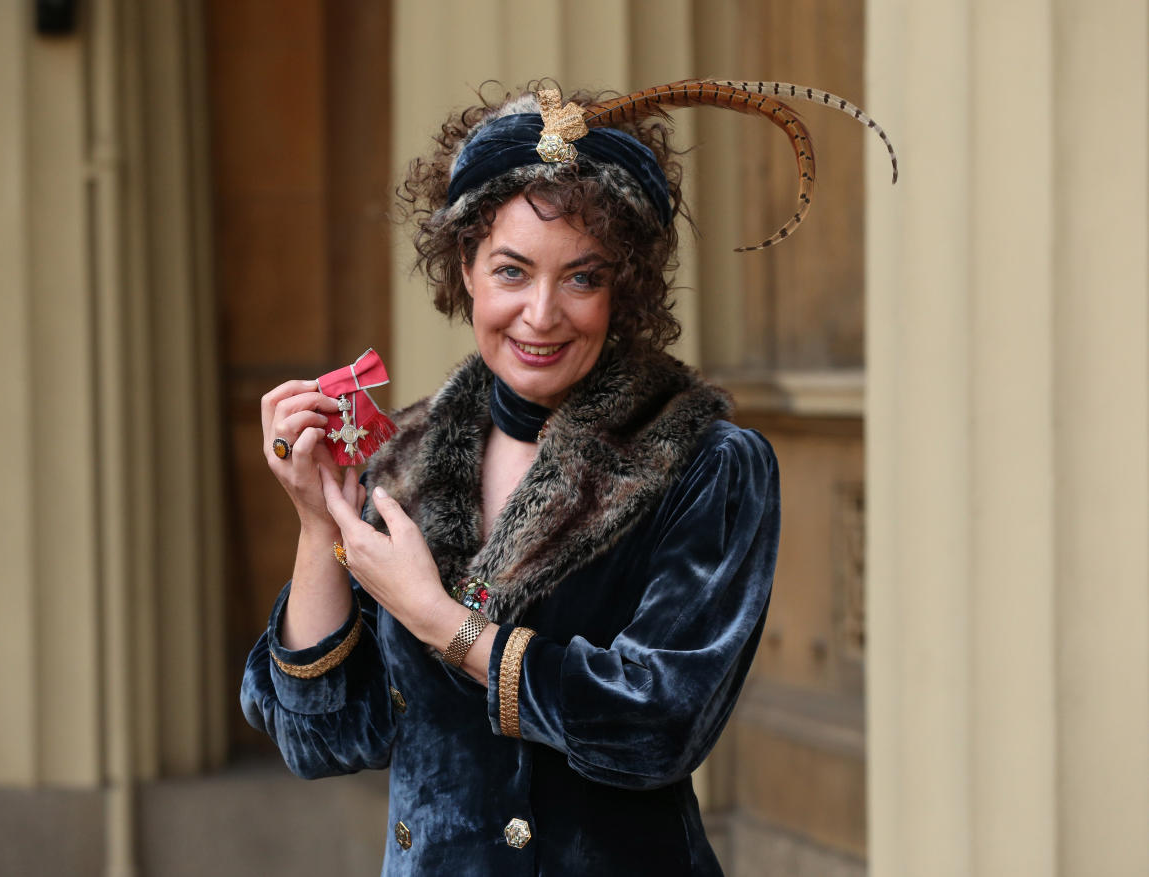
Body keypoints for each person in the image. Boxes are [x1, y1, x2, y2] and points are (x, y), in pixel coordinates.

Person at [241, 80, 791, 876]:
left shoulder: (707, 464)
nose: (541, 314)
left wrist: (439, 619)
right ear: (464, 266)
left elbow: (656, 727)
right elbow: (323, 737)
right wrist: (320, 520)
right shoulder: (406, 459)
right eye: (511, 270)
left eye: (582, 277)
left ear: (623, 288)